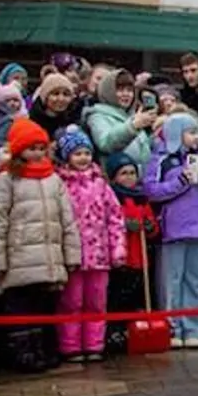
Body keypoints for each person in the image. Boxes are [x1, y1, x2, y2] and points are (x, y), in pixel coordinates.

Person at [0, 118, 82, 373]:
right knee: (20, 309)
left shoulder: (54, 179)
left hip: (49, 258)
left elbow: (67, 220)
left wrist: (71, 255)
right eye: (31, 148)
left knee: (45, 308)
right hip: (19, 259)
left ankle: (44, 350)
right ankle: (22, 353)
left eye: (41, 147)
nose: (37, 153)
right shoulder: (4, 180)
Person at [143, 111, 198, 349]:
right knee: (172, 280)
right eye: (190, 132)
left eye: (196, 132)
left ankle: (196, 328)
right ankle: (173, 326)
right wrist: (179, 181)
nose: (196, 137)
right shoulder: (161, 160)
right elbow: (151, 191)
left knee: (197, 280)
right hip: (173, 229)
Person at [53, 129, 125, 363]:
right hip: (72, 255)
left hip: (99, 254)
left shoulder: (101, 185)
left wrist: (118, 248)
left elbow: (115, 217)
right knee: (71, 302)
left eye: (86, 153)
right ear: (67, 157)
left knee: (96, 302)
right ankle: (70, 346)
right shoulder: (59, 184)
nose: (83, 158)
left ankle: (95, 344)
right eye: (77, 154)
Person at [104, 152, 158, 355]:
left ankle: (138, 334)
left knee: (138, 299)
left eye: (132, 173)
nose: (129, 177)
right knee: (118, 299)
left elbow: (153, 228)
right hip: (122, 258)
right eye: (123, 173)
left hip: (141, 257)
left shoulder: (142, 199)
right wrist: (125, 225)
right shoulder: (113, 197)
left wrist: (149, 226)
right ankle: (115, 335)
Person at [84, 66, 158, 172]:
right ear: (108, 91)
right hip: (115, 182)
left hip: (139, 181)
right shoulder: (97, 115)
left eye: (129, 90)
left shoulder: (132, 116)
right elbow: (106, 143)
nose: (126, 94)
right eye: (120, 90)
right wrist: (133, 126)